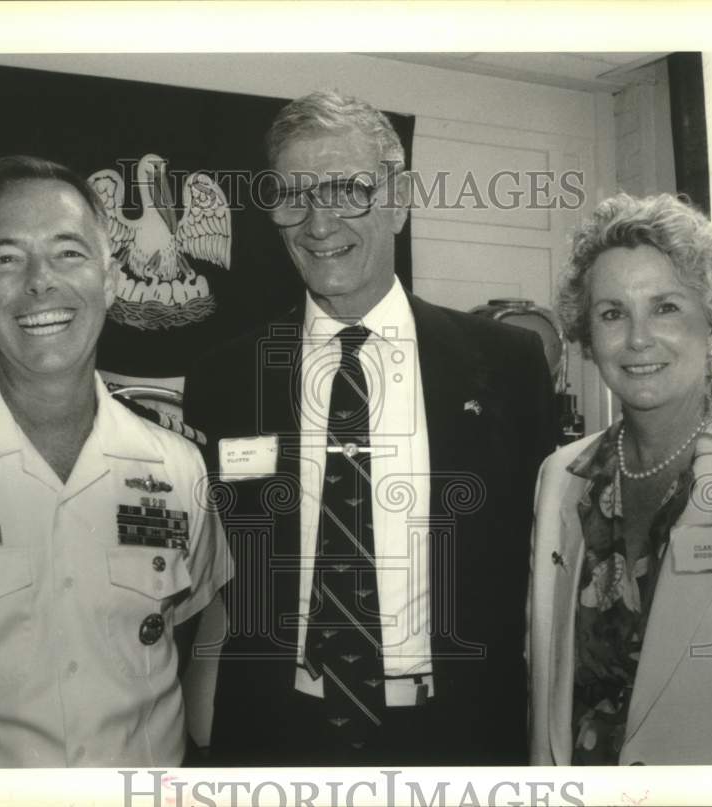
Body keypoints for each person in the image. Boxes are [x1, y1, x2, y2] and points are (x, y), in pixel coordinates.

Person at [184, 90, 556, 765]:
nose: (318, 222)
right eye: (293, 193)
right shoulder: (225, 378)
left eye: (347, 190)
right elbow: (212, 569)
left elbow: (551, 563)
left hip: (457, 738)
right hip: (274, 737)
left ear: (400, 197)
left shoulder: (506, 366)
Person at [0, 155, 232, 768]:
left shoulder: (179, 465)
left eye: (68, 252)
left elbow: (189, 630)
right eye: (7, 258)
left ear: (110, 278)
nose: (40, 282)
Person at [527, 193, 712, 765]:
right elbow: (549, 688)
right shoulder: (562, 475)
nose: (637, 339)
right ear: (588, 334)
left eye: (665, 308)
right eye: (612, 313)